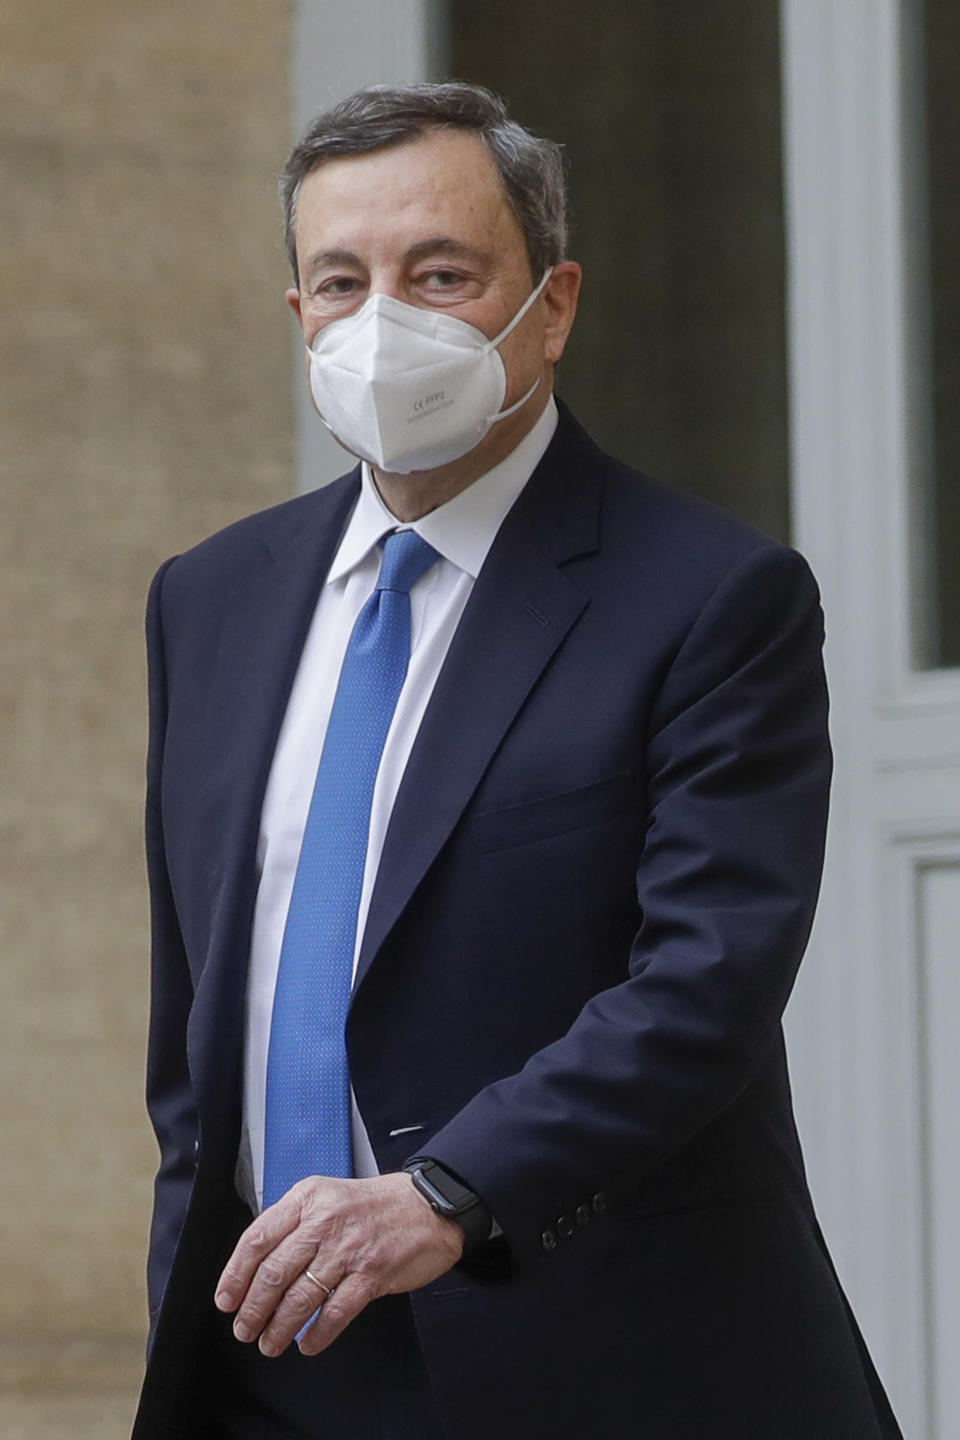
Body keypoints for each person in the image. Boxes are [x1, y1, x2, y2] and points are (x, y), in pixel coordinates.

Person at [132, 82, 902, 1440]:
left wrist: (442, 1198)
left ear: (552, 306)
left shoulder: (711, 597)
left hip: (589, 1349)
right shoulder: (212, 598)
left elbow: (704, 986)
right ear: (297, 316)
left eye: (441, 273)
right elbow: (200, 1018)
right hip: (264, 1364)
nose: (385, 325)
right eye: (340, 280)